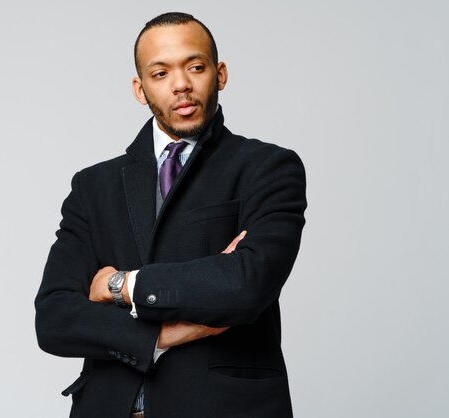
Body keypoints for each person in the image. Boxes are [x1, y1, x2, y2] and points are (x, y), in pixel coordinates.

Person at [35, 12, 307, 418]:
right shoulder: (93, 186)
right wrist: (160, 336)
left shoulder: (267, 167)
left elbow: (245, 286)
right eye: (159, 73)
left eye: (195, 67)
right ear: (139, 89)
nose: (181, 84)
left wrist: (121, 285)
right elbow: (54, 318)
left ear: (221, 74)